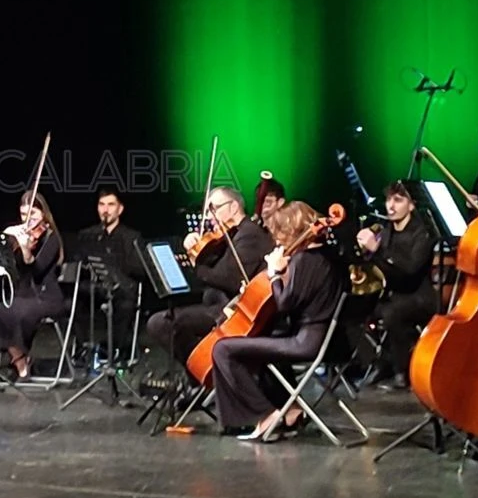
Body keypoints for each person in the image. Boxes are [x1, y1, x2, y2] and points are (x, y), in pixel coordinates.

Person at [208, 201, 348, 438]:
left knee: (222, 349)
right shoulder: (330, 256)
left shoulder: (305, 260)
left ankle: (264, 416)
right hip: (332, 341)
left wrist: (274, 275)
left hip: (306, 342)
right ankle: (292, 410)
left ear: (292, 230)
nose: (278, 241)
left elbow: (284, 305)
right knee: (264, 339)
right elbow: (303, 298)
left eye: (280, 234)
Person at [143, 186, 272, 373]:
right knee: (166, 321)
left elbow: (231, 279)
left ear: (234, 207)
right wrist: (196, 251)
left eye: (214, 209)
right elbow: (214, 272)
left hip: (233, 312)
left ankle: (201, 373)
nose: (210, 217)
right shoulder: (229, 236)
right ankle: (204, 372)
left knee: (161, 323)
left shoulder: (249, 234)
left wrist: (197, 265)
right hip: (217, 306)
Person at [353, 180, 438, 390]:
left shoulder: (423, 233)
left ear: (411, 205)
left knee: (392, 313)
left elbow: (410, 270)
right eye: (389, 200)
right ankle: (377, 361)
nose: (390, 206)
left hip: (419, 295)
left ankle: (403, 370)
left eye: (398, 200)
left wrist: (377, 248)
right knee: (350, 310)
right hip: (391, 293)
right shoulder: (387, 229)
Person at [0, 191, 67, 379]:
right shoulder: (22, 235)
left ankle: (20, 362)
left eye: (32, 214)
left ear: (42, 214)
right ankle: (20, 359)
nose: (28, 220)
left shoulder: (51, 237)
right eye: (24, 214)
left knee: (20, 312)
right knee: (0, 311)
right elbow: (6, 267)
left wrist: (25, 249)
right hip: (23, 294)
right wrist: (6, 242)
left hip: (47, 296)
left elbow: (37, 270)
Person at [71, 189, 146, 361]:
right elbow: (78, 262)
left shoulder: (131, 237)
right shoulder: (88, 234)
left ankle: (113, 350)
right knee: (73, 300)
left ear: (120, 209)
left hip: (121, 289)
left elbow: (139, 270)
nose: (106, 210)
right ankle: (84, 348)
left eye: (111, 205)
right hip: (95, 287)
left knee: (126, 304)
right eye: (102, 204)